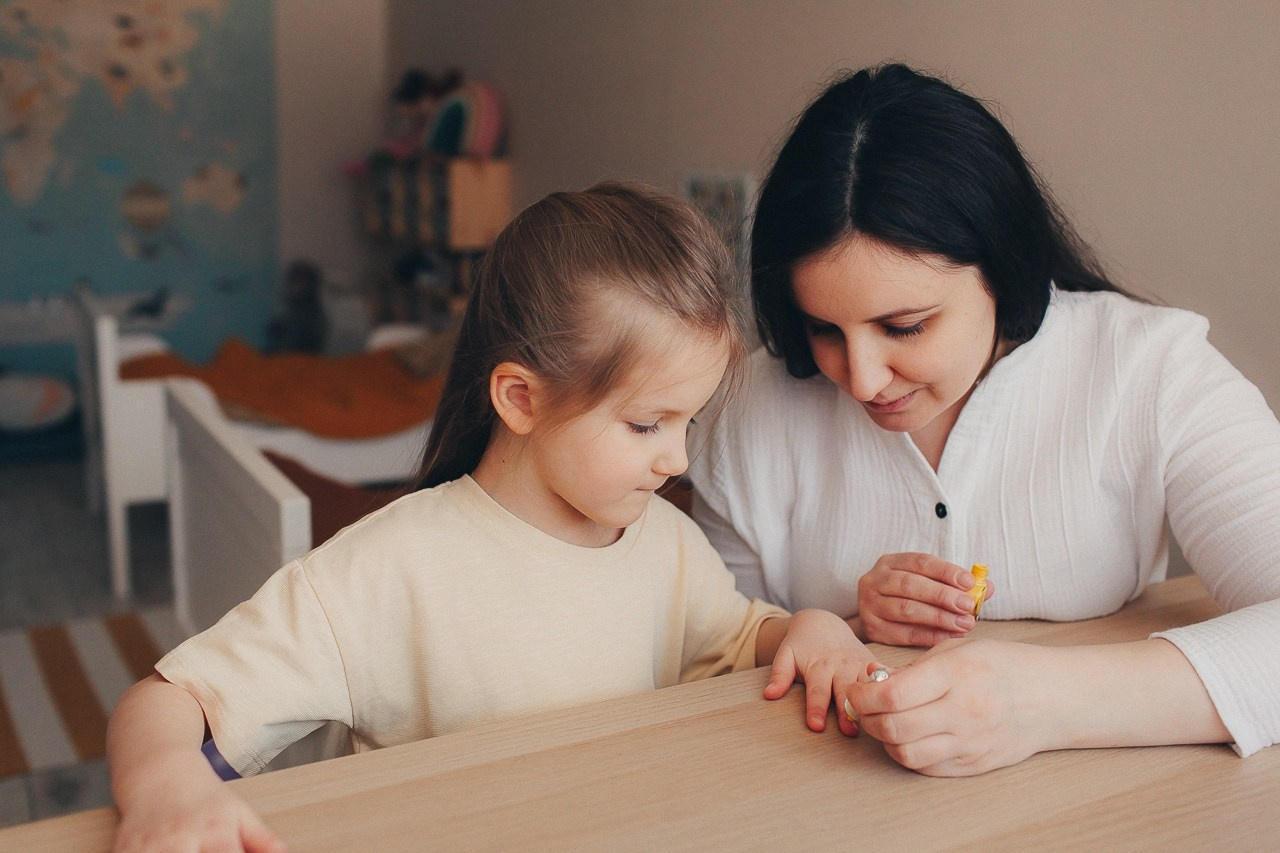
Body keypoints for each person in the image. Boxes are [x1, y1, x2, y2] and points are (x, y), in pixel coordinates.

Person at [107, 182, 873, 851]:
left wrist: (808, 627)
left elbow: (741, 638)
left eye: (690, 424)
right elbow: (167, 701)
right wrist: (166, 784)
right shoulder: (390, 566)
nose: (677, 459)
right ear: (521, 398)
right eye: (647, 424)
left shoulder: (665, 542)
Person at [689, 63, 1280, 776]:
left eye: (905, 326)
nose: (863, 378)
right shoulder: (748, 408)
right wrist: (844, 626)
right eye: (822, 329)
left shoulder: (1149, 371)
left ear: (1004, 266)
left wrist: (1042, 701)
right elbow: (709, 662)